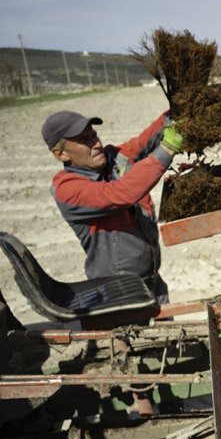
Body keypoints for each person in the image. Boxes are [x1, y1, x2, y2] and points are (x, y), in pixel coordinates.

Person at [41, 109, 184, 304]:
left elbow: (144, 141)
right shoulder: (67, 189)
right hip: (117, 296)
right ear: (61, 154)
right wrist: (167, 148)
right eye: (84, 140)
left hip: (152, 283)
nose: (97, 144)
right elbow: (122, 193)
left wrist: (177, 111)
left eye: (94, 135)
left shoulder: (115, 158)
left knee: (171, 335)